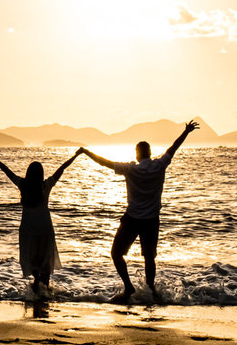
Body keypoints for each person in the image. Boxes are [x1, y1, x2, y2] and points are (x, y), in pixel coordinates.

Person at [78, 120, 198, 304]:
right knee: (149, 257)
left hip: (132, 219)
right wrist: (186, 131)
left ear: (137, 154)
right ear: (149, 153)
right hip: (151, 220)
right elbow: (173, 147)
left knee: (116, 254)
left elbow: (104, 163)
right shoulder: (159, 165)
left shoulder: (130, 169)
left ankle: (128, 286)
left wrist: (86, 152)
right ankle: (150, 291)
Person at [0, 145, 80, 297]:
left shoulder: (23, 185)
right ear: (41, 174)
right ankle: (45, 296)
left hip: (28, 229)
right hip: (44, 228)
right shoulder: (45, 185)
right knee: (45, 264)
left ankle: (36, 292)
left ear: (28, 173)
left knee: (34, 262)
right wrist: (76, 155)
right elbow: (61, 169)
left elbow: (6, 170)